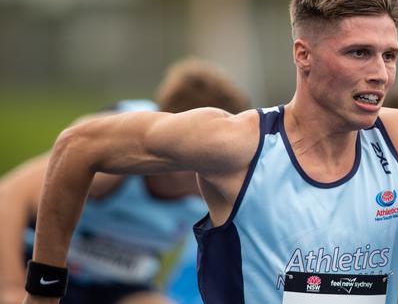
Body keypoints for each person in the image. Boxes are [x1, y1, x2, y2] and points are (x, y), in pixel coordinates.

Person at [23, 0, 398, 304]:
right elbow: (76, 147)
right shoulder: (238, 144)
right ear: (303, 55)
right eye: (359, 53)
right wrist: (44, 291)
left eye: (389, 56)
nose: (380, 74)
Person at [0, 58, 249, 304]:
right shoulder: (118, 152)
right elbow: (9, 196)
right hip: (40, 266)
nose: (223, 168)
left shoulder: (226, 182)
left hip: (118, 285)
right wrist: (10, 288)